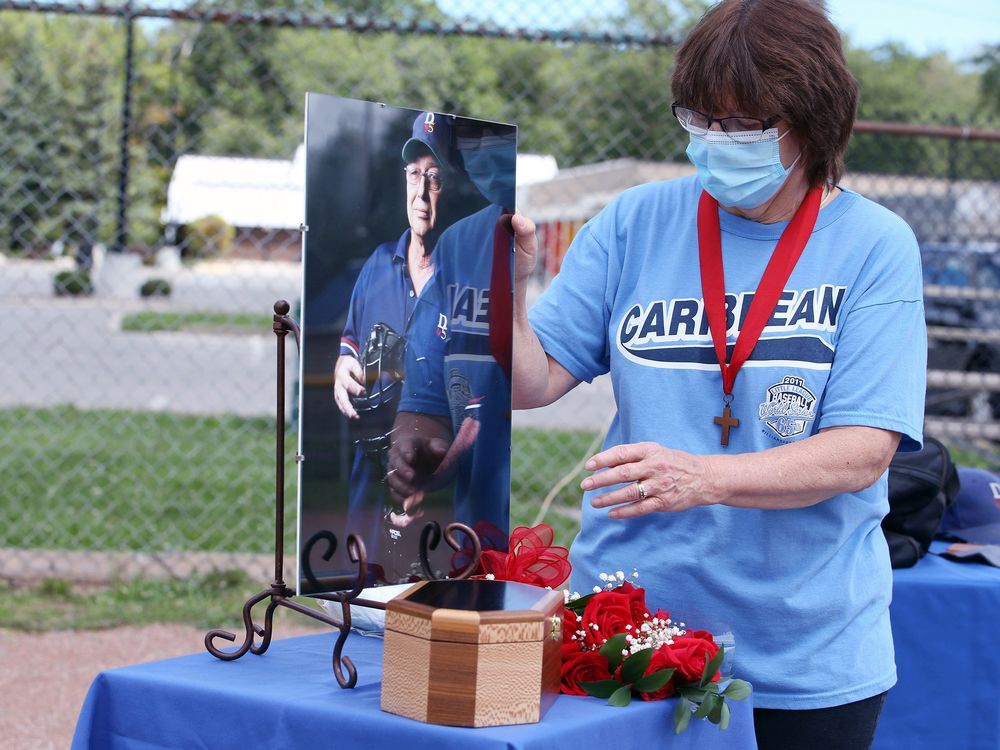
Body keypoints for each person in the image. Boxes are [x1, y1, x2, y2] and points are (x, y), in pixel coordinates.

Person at [511, 2, 926, 748]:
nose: (716, 143)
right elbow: (530, 382)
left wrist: (703, 478)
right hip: (629, 641)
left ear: (813, 122)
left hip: (803, 661)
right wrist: (507, 291)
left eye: (744, 128)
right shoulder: (634, 220)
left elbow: (865, 449)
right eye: (700, 121)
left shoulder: (873, 245)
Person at [332, 111, 454, 563]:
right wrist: (345, 361)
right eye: (414, 175)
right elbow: (351, 339)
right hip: (372, 476)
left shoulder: (470, 276)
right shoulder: (378, 264)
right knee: (357, 601)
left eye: (436, 178)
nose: (421, 193)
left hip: (441, 486)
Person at [386, 120, 516, 539]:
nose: (483, 149)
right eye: (467, 139)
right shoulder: (461, 244)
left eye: (491, 133)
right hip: (480, 538)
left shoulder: (586, 237)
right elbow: (426, 403)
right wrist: (419, 449)